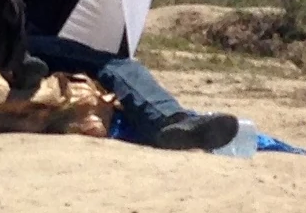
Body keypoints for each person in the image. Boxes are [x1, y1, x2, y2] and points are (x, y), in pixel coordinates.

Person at [25, 33, 239, 151]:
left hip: (9, 37)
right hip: (13, 39)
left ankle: (22, 65)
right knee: (115, 66)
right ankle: (166, 119)